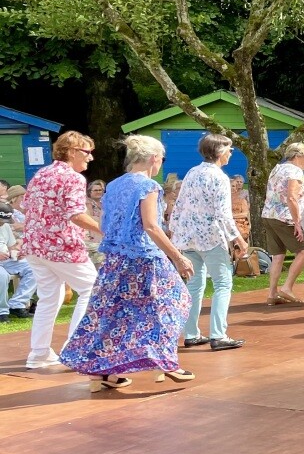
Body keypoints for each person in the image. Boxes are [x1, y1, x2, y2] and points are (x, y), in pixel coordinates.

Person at [61, 135, 195, 389]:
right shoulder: (148, 186)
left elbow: (105, 224)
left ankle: (103, 372)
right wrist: (178, 257)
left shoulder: (114, 185)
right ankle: (167, 362)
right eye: (161, 159)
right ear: (154, 158)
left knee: (112, 315)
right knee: (173, 303)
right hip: (144, 260)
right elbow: (152, 227)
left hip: (115, 260)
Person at [22, 132, 101, 370]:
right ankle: (74, 349)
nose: (91, 158)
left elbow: (27, 207)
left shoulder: (40, 174)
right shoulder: (74, 178)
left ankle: (39, 354)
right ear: (72, 151)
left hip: (35, 247)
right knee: (93, 290)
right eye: (86, 152)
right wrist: (104, 230)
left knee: (49, 298)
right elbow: (75, 214)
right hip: (62, 247)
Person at [169, 133, 249, 352]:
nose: (231, 153)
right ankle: (218, 335)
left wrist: (174, 233)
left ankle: (192, 334)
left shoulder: (192, 173)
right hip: (211, 237)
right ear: (220, 152)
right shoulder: (220, 177)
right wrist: (238, 238)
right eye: (229, 149)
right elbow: (222, 213)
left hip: (188, 236)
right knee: (223, 283)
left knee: (194, 284)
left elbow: (179, 205)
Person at [260, 143, 304, 305]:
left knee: (278, 256)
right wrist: (297, 222)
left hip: (269, 215)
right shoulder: (294, 171)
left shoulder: (277, 169)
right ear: (298, 156)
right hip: (285, 218)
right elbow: (292, 197)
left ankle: (272, 294)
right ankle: (287, 288)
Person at [0, 219, 36, 320]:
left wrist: (17, 252)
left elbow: (11, 246)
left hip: (7, 260)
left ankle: (17, 304)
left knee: (34, 269)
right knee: (2, 276)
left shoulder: (5, 226)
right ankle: (2, 312)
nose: (3, 223)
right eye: (1, 221)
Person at [84, 179, 106, 266]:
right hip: (91, 238)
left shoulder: (105, 203)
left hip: (102, 238)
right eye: (96, 190)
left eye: (100, 190)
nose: (98, 192)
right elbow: (86, 220)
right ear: (90, 192)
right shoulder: (86, 203)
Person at [229, 174, 251, 241]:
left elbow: (246, 211)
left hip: (240, 217)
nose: (238, 184)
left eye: (240, 182)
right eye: (237, 182)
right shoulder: (226, 196)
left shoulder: (244, 194)